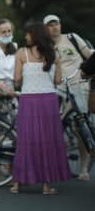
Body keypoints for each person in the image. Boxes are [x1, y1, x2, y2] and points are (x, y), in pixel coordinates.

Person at [10, 22, 71, 195]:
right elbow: (58, 81)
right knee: (48, 141)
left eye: (28, 34)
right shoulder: (54, 55)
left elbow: (16, 79)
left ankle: (18, 184)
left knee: (26, 141)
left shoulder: (22, 53)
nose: (26, 37)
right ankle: (47, 185)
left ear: (34, 35)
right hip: (48, 101)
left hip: (28, 101)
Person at [44, 14, 94, 181]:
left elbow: (89, 56)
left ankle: (84, 168)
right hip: (57, 88)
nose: (54, 27)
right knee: (51, 124)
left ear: (60, 25)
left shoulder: (72, 38)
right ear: (46, 29)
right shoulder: (45, 46)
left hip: (78, 85)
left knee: (81, 126)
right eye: (50, 25)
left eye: (56, 23)